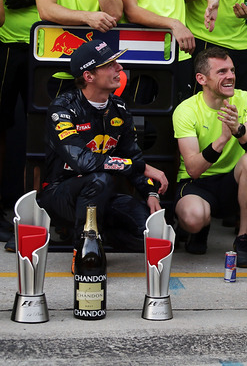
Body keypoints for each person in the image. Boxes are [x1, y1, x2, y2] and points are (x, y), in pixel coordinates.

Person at [38, 40, 168, 256]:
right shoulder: (62, 108)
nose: (119, 68)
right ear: (89, 76)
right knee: (100, 179)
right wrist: (141, 167)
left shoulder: (120, 109)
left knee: (149, 233)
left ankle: (96, 234)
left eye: (116, 62)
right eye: (110, 65)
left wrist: (150, 191)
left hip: (102, 196)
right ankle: (82, 252)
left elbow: (132, 156)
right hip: (60, 194)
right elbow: (82, 161)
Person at [172, 47, 247, 267]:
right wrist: (222, 139)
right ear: (201, 78)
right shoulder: (186, 110)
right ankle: (199, 230)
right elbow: (194, 169)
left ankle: (243, 238)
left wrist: (239, 131)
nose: (231, 76)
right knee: (194, 218)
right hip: (197, 183)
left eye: (232, 70)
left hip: (233, 181)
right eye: (222, 72)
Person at [0, 0, 63, 205]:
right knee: (4, 127)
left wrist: (31, 0)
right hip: (8, 47)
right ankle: (4, 200)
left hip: (45, 51)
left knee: (41, 127)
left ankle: (40, 201)